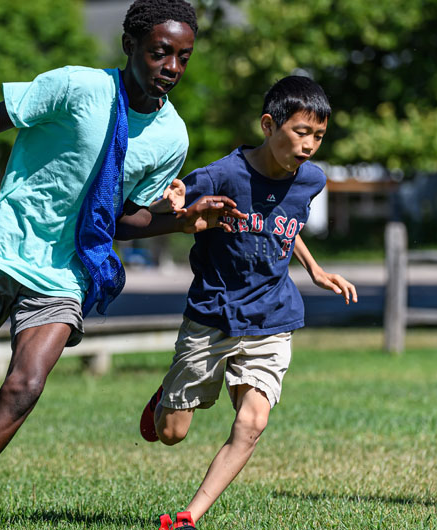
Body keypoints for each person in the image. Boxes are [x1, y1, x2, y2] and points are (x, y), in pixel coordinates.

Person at [0, 2, 246, 528]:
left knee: (25, 386)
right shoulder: (77, 86)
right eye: (160, 53)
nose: (171, 67)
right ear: (130, 46)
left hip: (66, 272)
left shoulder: (172, 137)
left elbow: (122, 217)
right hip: (3, 247)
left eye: (183, 57)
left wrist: (180, 221)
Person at [124, 75, 359, 530]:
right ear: (269, 125)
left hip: (273, 315)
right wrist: (173, 200)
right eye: (300, 132)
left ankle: (190, 516)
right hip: (213, 314)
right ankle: (167, 398)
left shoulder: (310, 179)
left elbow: (285, 226)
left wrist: (314, 269)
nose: (309, 145)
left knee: (253, 422)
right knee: (171, 434)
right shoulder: (221, 175)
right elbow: (167, 206)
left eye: (319, 136)